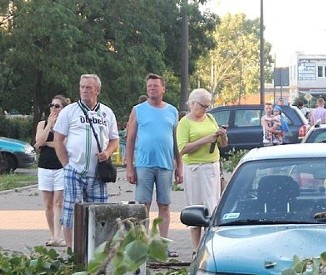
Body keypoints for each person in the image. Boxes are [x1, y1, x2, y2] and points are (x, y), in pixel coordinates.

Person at [53, 73, 120, 248]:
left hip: (97, 172)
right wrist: (66, 165)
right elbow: (58, 139)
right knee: (71, 211)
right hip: (74, 169)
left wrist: (108, 152)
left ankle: (97, 250)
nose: (84, 91)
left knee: (100, 213)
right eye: (82, 87)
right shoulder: (70, 111)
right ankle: (72, 250)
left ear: (97, 90)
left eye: (88, 87)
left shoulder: (106, 112)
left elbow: (114, 139)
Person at [125, 73, 183, 257]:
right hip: (143, 165)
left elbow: (176, 140)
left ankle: (161, 246)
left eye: (156, 86)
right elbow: (130, 139)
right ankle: (142, 245)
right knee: (143, 206)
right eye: (149, 86)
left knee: (164, 205)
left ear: (163, 89)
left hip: (166, 165)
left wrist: (179, 165)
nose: (152, 89)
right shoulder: (138, 110)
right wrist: (129, 167)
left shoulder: (172, 111)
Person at [177, 88, 228, 249]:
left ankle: (210, 245)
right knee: (196, 207)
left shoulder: (210, 118)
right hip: (194, 168)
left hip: (212, 166)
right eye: (203, 106)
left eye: (207, 106)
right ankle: (195, 248)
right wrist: (205, 140)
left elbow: (223, 144)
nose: (205, 109)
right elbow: (183, 148)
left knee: (212, 205)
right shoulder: (184, 123)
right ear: (192, 104)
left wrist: (222, 135)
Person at [33, 94, 70, 247]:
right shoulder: (42, 124)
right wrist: (49, 125)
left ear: (63, 109)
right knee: (48, 203)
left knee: (58, 202)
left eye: (57, 106)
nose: (53, 108)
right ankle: (51, 235)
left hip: (60, 167)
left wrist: (49, 142)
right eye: (51, 105)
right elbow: (38, 142)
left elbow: (64, 145)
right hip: (45, 167)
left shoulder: (67, 125)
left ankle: (58, 236)